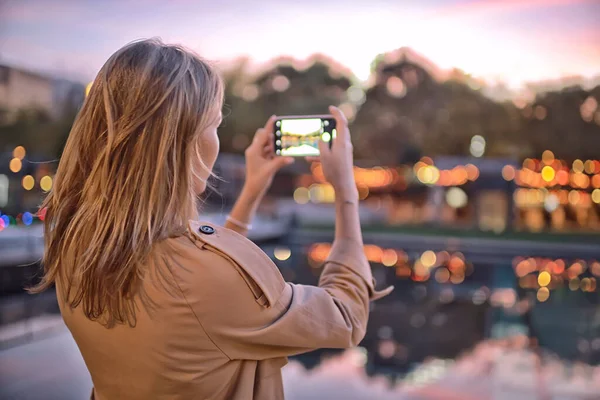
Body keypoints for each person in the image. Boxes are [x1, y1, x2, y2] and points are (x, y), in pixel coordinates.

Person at [31, 39, 392, 400]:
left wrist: (252, 189)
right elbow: (346, 317)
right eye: (215, 124)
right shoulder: (201, 280)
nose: (217, 141)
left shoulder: (75, 241)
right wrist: (346, 190)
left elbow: (209, 301)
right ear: (180, 141)